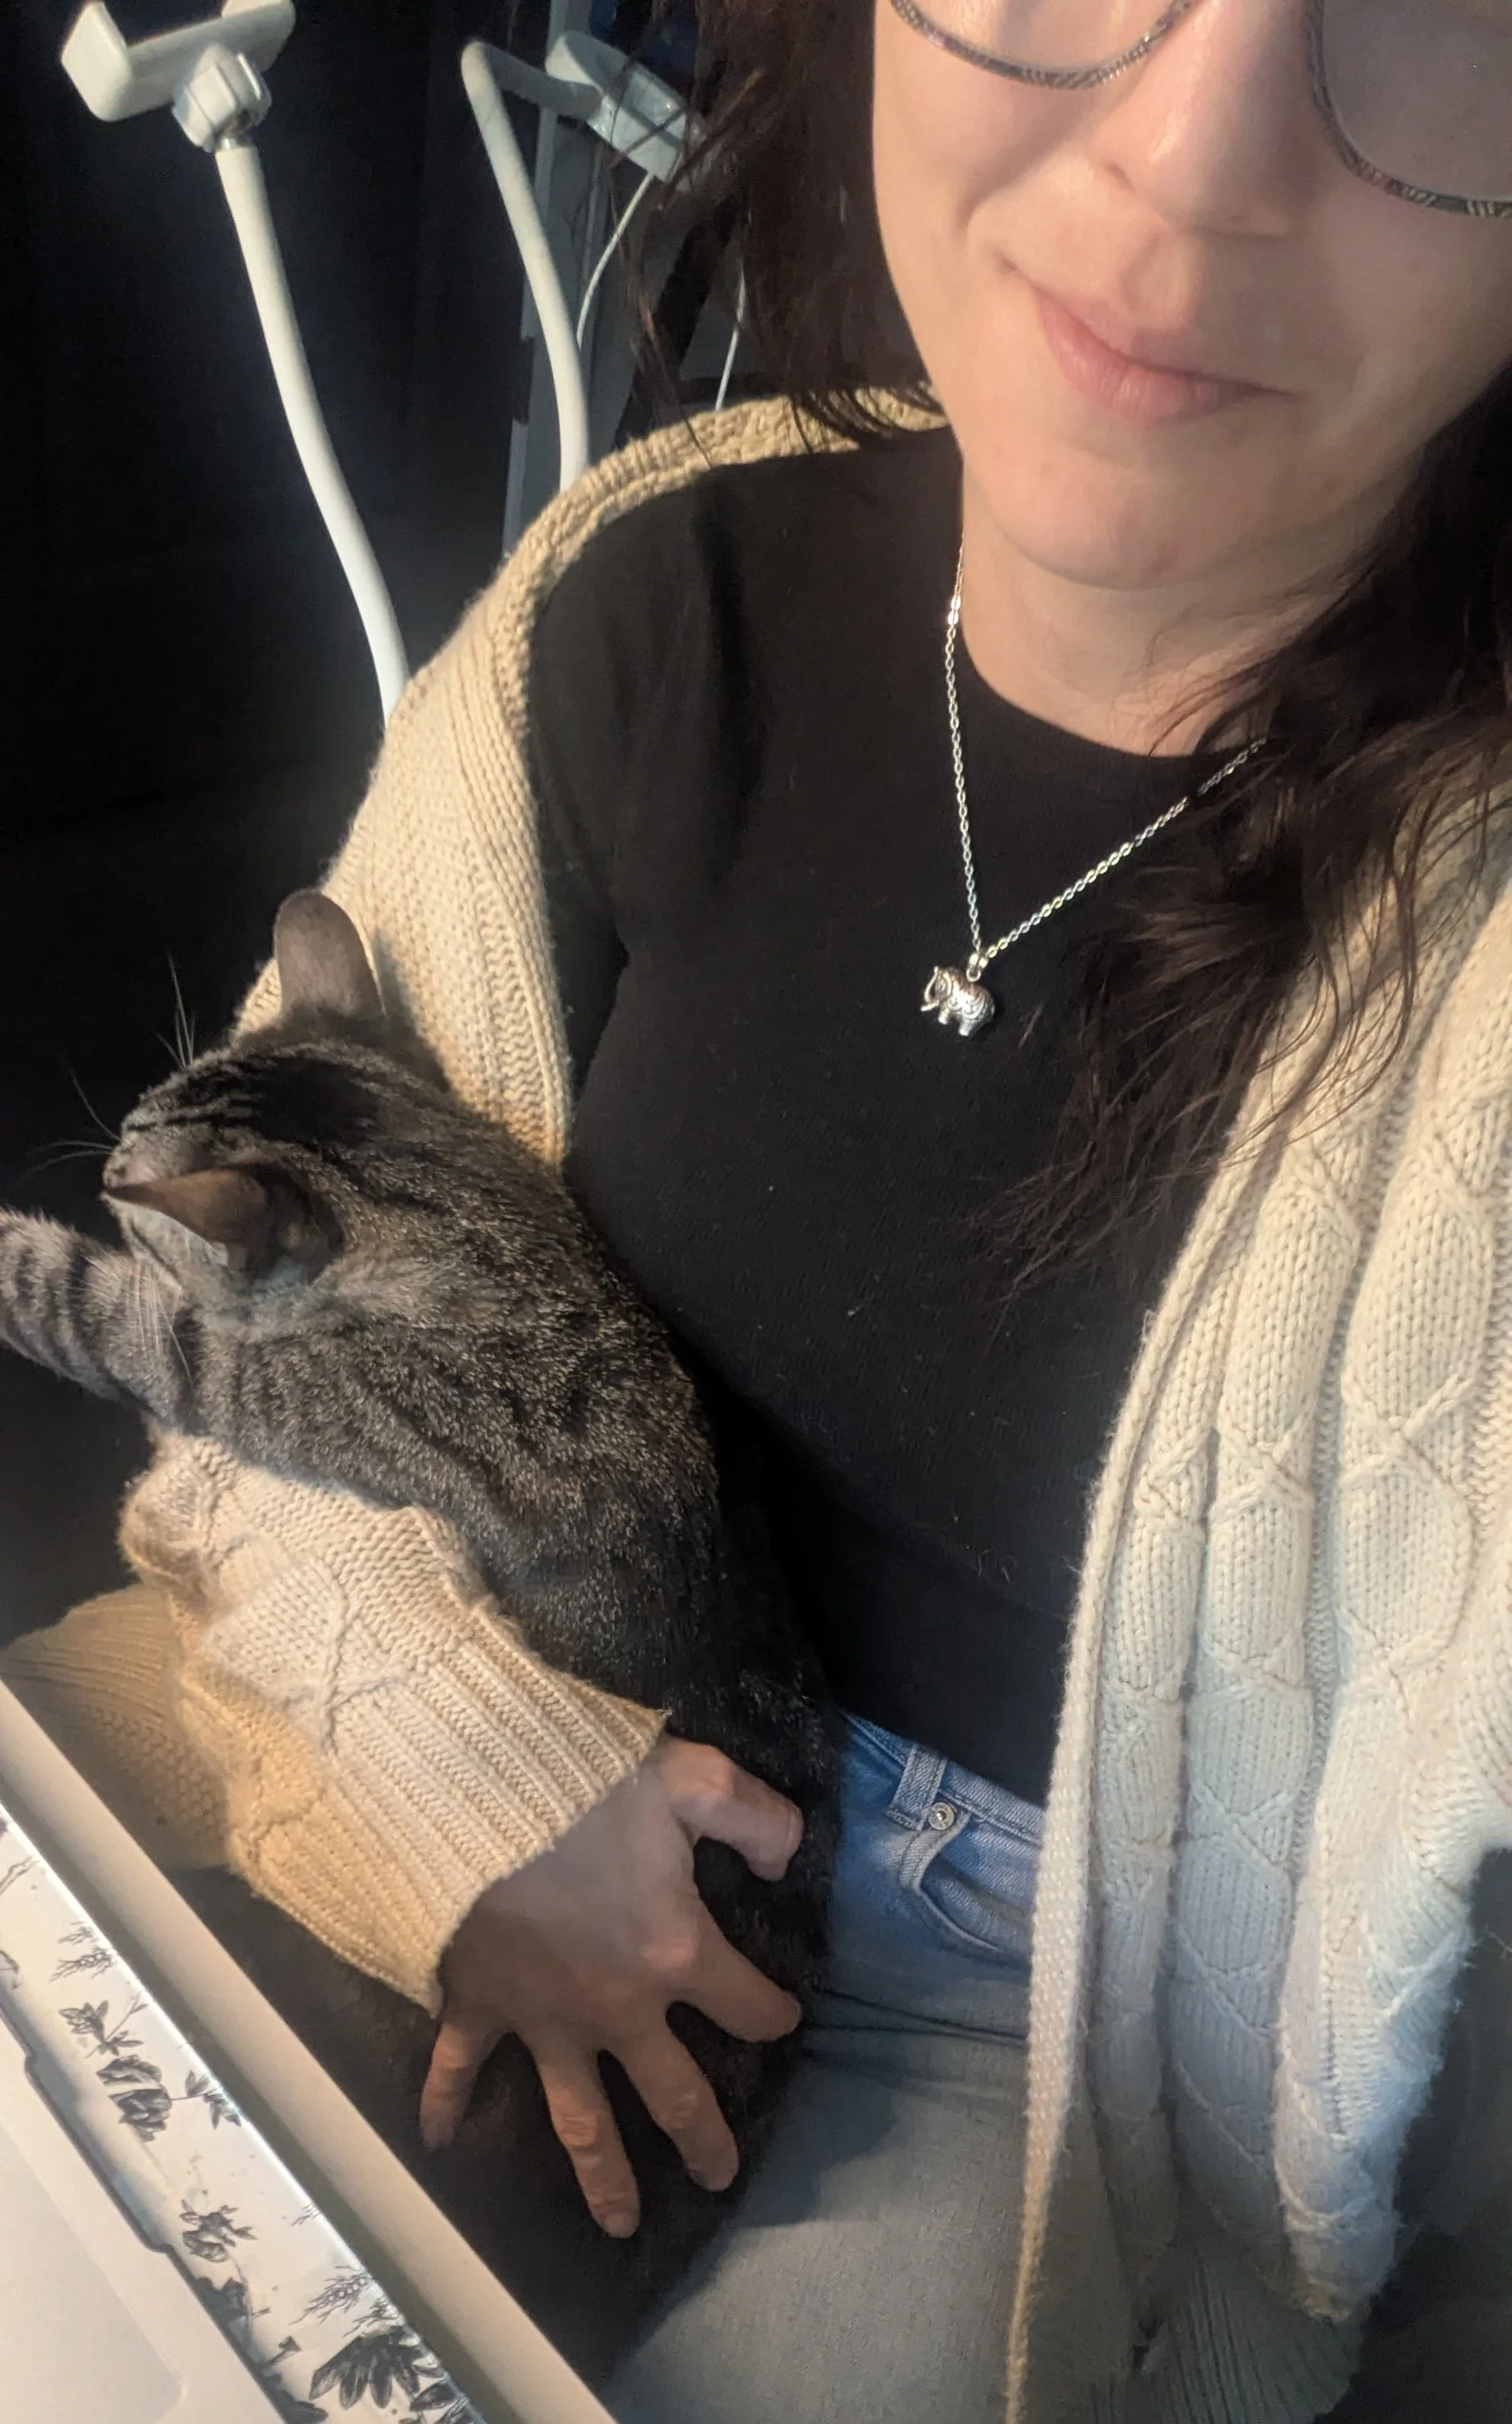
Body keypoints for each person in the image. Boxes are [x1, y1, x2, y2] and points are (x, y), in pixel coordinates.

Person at [6, 1, 1512, 2417]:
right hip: (469, 1701)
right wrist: (471, 1789)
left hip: (1015, 2058)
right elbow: (258, 1418)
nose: (1192, 159)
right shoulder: (647, 578)